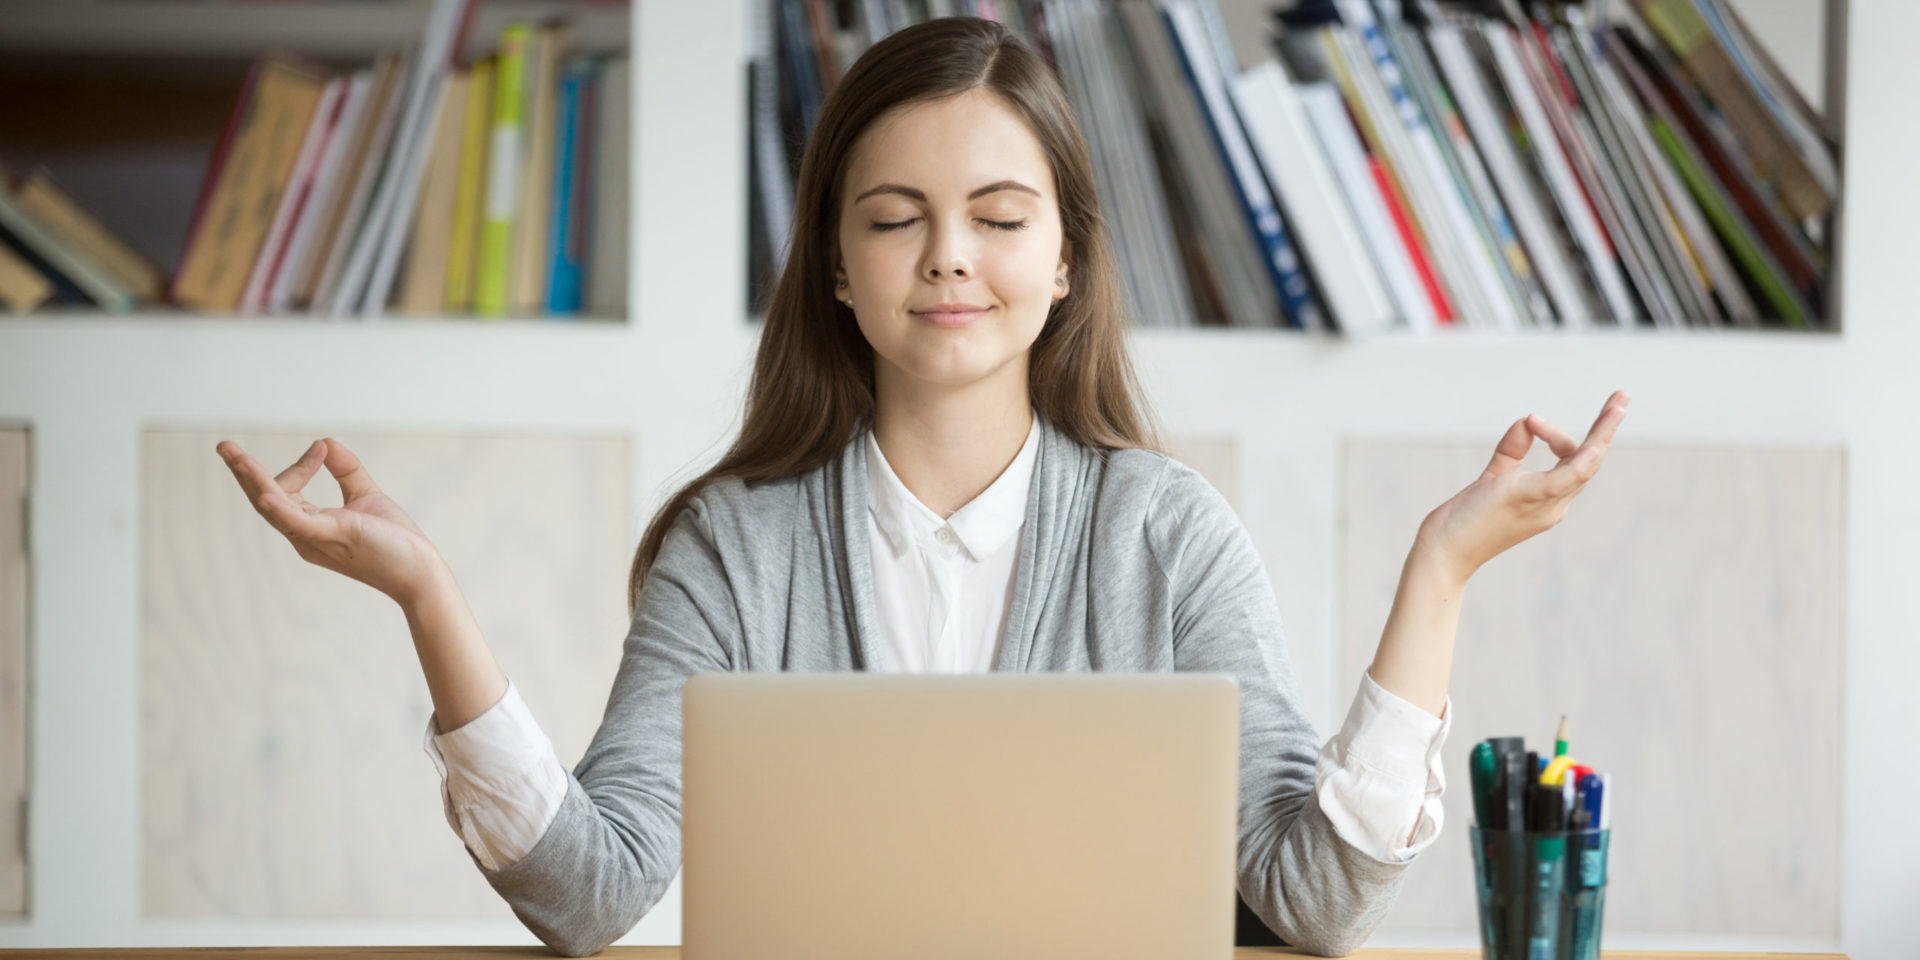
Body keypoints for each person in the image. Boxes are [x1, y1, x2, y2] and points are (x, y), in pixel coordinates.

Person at [215, 16, 1628, 958]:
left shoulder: (1167, 535)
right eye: (896, 221)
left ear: (1065, 258)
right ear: (836, 265)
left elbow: (1309, 901)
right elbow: (591, 896)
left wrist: (1438, 571)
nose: (949, 257)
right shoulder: (735, 547)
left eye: (1000, 220)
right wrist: (426, 595)